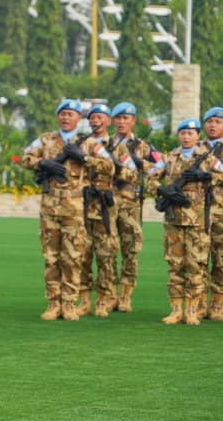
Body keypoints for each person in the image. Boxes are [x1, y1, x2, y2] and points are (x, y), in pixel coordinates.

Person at [20, 99, 114, 321]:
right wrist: (44, 163)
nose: (65, 117)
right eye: (62, 113)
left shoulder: (89, 142)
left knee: (73, 257)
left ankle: (70, 303)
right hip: (50, 206)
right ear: (57, 117)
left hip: (74, 206)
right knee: (51, 257)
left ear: (78, 119)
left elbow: (110, 166)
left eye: (70, 114)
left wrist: (83, 157)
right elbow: (24, 158)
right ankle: (53, 303)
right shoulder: (46, 140)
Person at [147, 118, 220, 325]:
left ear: (198, 136)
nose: (186, 137)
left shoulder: (208, 158)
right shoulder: (170, 157)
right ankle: (176, 309)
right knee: (175, 265)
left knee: (196, 266)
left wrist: (206, 176)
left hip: (198, 220)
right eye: (183, 133)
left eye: (191, 133)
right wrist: (161, 190)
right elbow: (150, 177)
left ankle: (192, 309)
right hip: (174, 219)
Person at [78, 104, 137, 317]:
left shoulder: (116, 148)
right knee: (82, 254)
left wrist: (113, 173)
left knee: (106, 255)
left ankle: (104, 298)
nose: (95, 121)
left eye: (100, 118)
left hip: (105, 208)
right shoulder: (80, 143)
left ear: (108, 121)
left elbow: (133, 174)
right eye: (92, 118)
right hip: (81, 206)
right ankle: (84, 299)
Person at [109, 102, 161, 313]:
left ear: (133, 121)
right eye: (118, 118)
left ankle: (125, 296)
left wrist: (140, 163)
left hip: (131, 203)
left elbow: (161, 166)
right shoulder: (106, 143)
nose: (122, 121)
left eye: (126, 118)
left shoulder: (143, 146)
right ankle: (109, 294)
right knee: (107, 250)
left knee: (130, 251)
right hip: (108, 201)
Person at [202, 106, 223, 320]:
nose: (213, 125)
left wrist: (212, 177)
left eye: (218, 122)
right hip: (198, 212)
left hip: (221, 211)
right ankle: (197, 303)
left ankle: (217, 303)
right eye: (209, 121)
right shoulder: (196, 149)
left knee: (221, 259)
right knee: (197, 259)